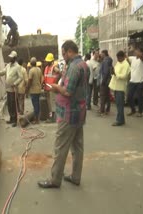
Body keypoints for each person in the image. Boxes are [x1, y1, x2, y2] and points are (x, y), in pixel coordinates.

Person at [37, 40, 89, 188]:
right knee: (78, 146)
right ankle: (76, 176)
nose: (63, 56)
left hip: (69, 113)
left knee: (61, 147)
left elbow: (68, 91)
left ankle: (55, 180)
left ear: (68, 51)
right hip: (79, 112)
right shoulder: (83, 65)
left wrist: (55, 87)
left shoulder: (73, 67)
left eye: (64, 53)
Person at [0, 51, 22, 127]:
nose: (10, 58)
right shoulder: (8, 65)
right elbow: (3, 72)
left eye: (11, 57)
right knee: (9, 104)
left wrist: (15, 84)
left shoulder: (17, 66)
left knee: (13, 104)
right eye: (10, 57)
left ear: (15, 58)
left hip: (13, 89)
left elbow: (21, 77)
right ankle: (11, 118)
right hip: (8, 88)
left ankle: (15, 120)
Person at [109, 51, 130, 126]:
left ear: (123, 57)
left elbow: (124, 76)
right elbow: (115, 71)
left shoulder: (126, 64)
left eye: (119, 58)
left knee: (120, 104)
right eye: (117, 57)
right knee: (118, 104)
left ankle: (119, 120)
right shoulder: (118, 63)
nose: (117, 59)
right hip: (116, 86)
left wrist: (115, 73)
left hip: (120, 87)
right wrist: (112, 72)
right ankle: (122, 119)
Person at [127, 47, 143, 117]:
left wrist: (135, 50)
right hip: (132, 80)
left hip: (140, 81)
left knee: (139, 97)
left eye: (138, 51)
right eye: (136, 51)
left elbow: (141, 57)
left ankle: (140, 111)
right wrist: (125, 50)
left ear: (142, 53)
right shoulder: (132, 58)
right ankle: (133, 110)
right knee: (129, 96)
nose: (136, 52)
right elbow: (125, 57)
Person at [43, 53, 61, 123]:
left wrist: (55, 82)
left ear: (51, 61)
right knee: (49, 104)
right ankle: (51, 117)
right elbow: (46, 77)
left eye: (48, 61)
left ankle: (53, 118)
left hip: (52, 89)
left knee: (52, 103)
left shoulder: (53, 67)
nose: (47, 62)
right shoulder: (46, 68)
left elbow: (59, 73)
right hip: (47, 89)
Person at [26, 57, 43, 124]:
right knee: (37, 104)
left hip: (33, 90)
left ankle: (36, 120)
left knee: (35, 105)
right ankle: (37, 118)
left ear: (30, 63)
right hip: (38, 89)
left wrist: (27, 89)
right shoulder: (39, 69)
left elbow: (30, 80)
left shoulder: (31, 70)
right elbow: (40, 78)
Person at [98, 50, 113, 116]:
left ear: (104, 54)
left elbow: (105, 72)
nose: (100, 54)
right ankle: (107, 109)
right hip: (108, 81)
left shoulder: (105, 61)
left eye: (101, 53)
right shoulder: (109, 60)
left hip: (104, 81)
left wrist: (103, 81)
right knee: (107, 95)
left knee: (102, 96)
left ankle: (102, 111)